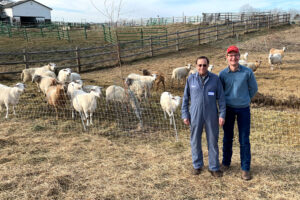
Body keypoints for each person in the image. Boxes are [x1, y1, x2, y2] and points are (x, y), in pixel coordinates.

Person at [182, 56, 226, 177]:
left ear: (208, 66)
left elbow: (221, 99)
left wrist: (222, 115)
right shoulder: (191, 79)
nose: (202, 67)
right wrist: (185, 114)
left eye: (204, 65)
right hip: (195, 115)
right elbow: (185, 98)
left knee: (212, 141)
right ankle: (197, 165)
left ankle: (214, 167)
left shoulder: (215, 79)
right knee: (195, 140)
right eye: (200, 65)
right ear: (196, 66)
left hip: (211, 115)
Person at [219, 45, 258, 181]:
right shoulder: (223, 74)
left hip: (243, 109)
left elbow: (254, 88)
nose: (233, 58)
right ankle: (226, 163)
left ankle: (245, 168)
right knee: (227, 137)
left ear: (239, 57)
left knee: (244, 139)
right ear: (227, 58)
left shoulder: (247, 72)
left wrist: (245, 98)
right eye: (230, 55)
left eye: (235, 55)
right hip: (228, 109)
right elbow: (220, 92)